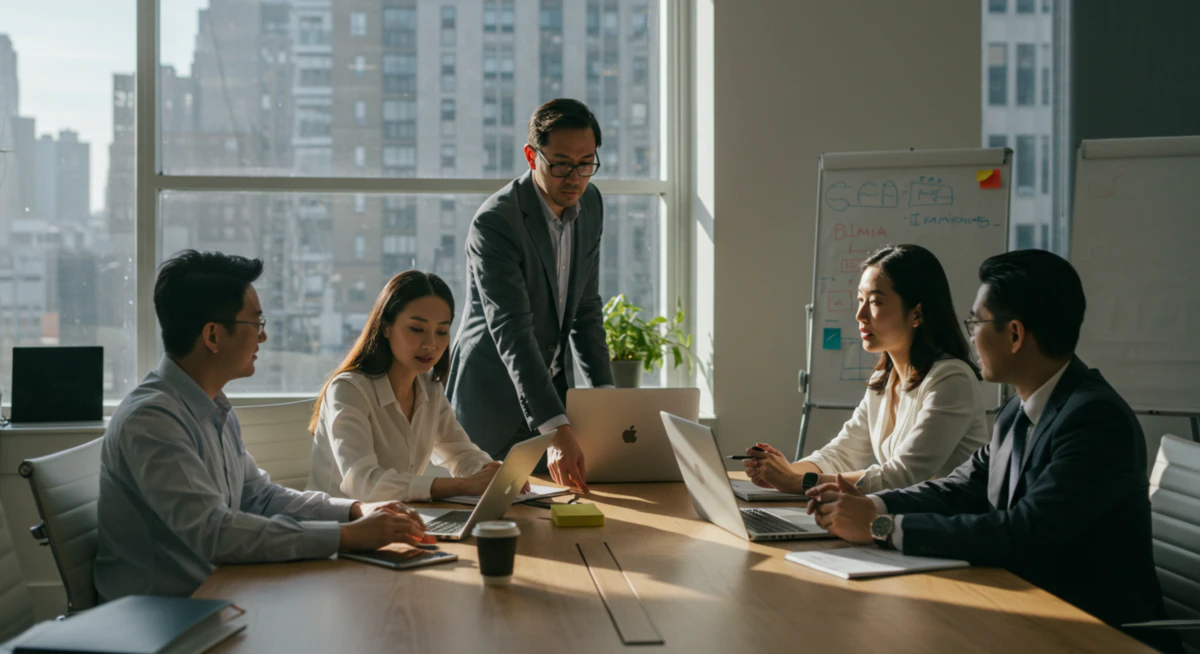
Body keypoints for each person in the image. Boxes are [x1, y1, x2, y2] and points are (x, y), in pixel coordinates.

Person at [807, 250, 1175, 651]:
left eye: (976, 323)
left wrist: (882, 528)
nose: (970, 336)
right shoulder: (1021, 406)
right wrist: (871, 506)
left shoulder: (1096, 421)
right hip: (1027, 612)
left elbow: (1024, 532)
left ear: (1015, 334)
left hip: (1093, 632)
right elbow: (960, 488)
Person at [94, 251, 427, 601]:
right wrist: (347, 537)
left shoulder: (213, 406)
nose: (263, 338)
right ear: (213, 336)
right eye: (256, 324)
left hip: (216, 594)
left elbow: (260, 497)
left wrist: (355, 510)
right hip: (163, 617)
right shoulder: (152, 420)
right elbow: (214, 533)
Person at [446, 98, 613, 492]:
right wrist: (556, 429)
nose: (574, 177)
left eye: (586, 163)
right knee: (497, 520)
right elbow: (513, 331)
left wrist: (607, 403)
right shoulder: (497, 222)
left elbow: (586, 311)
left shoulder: (591, 204)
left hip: (551, 395)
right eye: (559, 164)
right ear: (530, 155)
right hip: (492, 400)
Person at [744, 244, 989, 494]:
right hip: (904, 519)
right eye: (860, 300)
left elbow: (903, 475)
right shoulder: (884, 378)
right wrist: (784, 471)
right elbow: (842, 453)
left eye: (875, 302)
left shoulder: (951, 379)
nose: (860, 315)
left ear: (917, 313)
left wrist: (796, 482)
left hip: (949, 526)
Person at [307, 271, 519, 503]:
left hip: (398, 520)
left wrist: (493, 472)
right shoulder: (348, 390)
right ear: (385, 326)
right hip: (340, 528)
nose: (430, 344)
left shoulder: (429, 387)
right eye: (417, 329)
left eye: (441, 332)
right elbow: (363, 482)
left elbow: (459, 452)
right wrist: (463, 485)